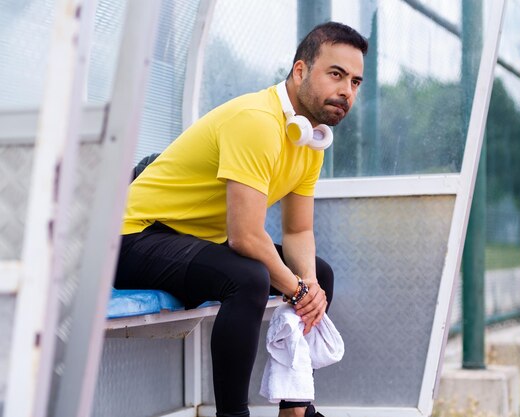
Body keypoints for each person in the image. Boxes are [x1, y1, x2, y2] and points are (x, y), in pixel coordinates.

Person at [114, 21, 368, 417]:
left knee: (320, 272)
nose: (346, 91)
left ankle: (296, 410)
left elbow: (298, 230)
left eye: (355, 82)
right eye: (336, 74)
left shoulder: (310, 141)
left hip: (193, 242)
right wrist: (297, 291)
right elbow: (246, 238)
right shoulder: (257, 121)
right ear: (300, 70)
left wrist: (311, 288)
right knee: (249, 277)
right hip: (134, 238)